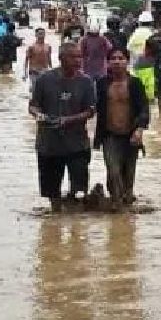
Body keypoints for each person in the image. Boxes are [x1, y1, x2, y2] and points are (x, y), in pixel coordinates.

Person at [29, 42, 96, 212]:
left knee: (79, 186)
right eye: (73, 57)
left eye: (79, 56)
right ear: (61, 58)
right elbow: (33, 105)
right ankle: (55, 218)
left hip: (77, 143)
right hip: (49, 143)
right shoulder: (44, 79)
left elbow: (90, 111)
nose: (78, 60)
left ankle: (75, 224)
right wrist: (39, 115)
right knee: (52, 190)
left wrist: (69, 120)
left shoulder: (86, 82)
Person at [94, 47, 149, 207]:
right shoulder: (102, 84)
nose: (117, 62)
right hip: (109, 135)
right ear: (108, 63)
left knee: (128, 175)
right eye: (113, 59)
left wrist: (139, 130)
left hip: (131, 135)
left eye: (121, 58)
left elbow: (144, 108)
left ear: (127, 61)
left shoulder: (135, 83)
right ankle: (116, 203)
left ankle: (126, 210)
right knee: (113, 171)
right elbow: (92, 106)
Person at [127, 11, 156, 101]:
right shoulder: (153, 34)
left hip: (136, 65)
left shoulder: (135, 34)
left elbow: (128, 48)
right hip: (150, 64)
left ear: (140, 22)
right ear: (151, 22)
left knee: (137, 88)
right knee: (150, 88)